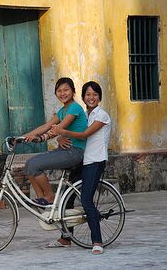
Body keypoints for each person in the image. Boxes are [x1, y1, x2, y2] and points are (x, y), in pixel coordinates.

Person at [49, 81, 111, 255]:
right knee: (66, 200)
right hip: (81, 160)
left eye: (94, 94)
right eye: (88, 95)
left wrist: (62, 132)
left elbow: (83, 135)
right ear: (83, 97)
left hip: (95, 162)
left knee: (86, 201)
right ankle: (66, 238)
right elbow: (65, 135)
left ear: (99, 97)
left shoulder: (102, 116)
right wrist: (59, 138)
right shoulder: (83, 115)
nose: (91, 98)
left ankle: (97, 241)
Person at [23, 77, 87, 206]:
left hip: (75, 152)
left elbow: (59, 128)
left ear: (73, 91)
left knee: (35, 166)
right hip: (66, 150)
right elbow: (46, 126)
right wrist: (22, 137)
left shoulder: (74, 108)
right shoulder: (62, 110)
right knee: (28, 165)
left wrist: (42, 138)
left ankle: (49, 197)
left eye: (66, 90)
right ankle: (42, 199)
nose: (62, 93)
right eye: (59, 91)